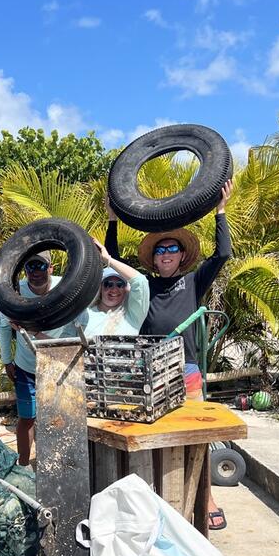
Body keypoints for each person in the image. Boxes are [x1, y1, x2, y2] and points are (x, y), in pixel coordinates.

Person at [106, 180, 233, 529]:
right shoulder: (142, 284)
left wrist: (221, 212)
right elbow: (111, 261)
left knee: (199, 434)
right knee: (153, 433)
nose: (165, 255)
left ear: (181, 255)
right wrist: (114, 220)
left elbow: (222, 255)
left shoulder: (193, 281)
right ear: (154, 257)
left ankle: (207, 499)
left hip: (185, 366)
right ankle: (157, 500)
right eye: (160, 250)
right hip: (149, 369)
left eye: (171, 249)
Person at [0, 251, 88, 466]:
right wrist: (7, 360)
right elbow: (3, 326)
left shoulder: (66, 288)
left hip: (58, 365)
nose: (35, 272)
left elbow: (80, 325)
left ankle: (54, 465)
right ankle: (24, 465)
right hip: (26, 366)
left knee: (56, 417)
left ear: (51, 268)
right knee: (27, 418)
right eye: (30, 267)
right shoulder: (16, 291)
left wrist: (38, 332)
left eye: (40, 266)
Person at [85, 238, 150, 336]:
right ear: (100, 288)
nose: (114, 289)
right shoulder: (84, 314)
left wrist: (107, 259)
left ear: (126, 289)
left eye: (120, 285)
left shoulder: (133, 314)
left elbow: (140, 281)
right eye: (108, 284)